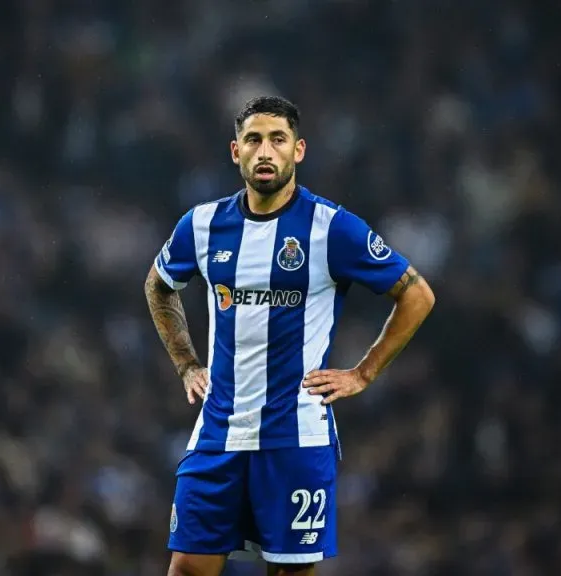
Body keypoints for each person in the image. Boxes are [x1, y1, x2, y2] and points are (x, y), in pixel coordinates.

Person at [144, 96, 435, 576]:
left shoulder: (331, 228)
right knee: (187, 569)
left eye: (277, 139)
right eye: (253, 140)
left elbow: (417, 295)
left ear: (298, 150)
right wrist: (186, 363)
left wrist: (363, 373)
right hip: (217, 434)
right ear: (235, 151)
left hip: (295, 439)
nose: (265, 151)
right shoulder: (202, 225)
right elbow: (159, 284)